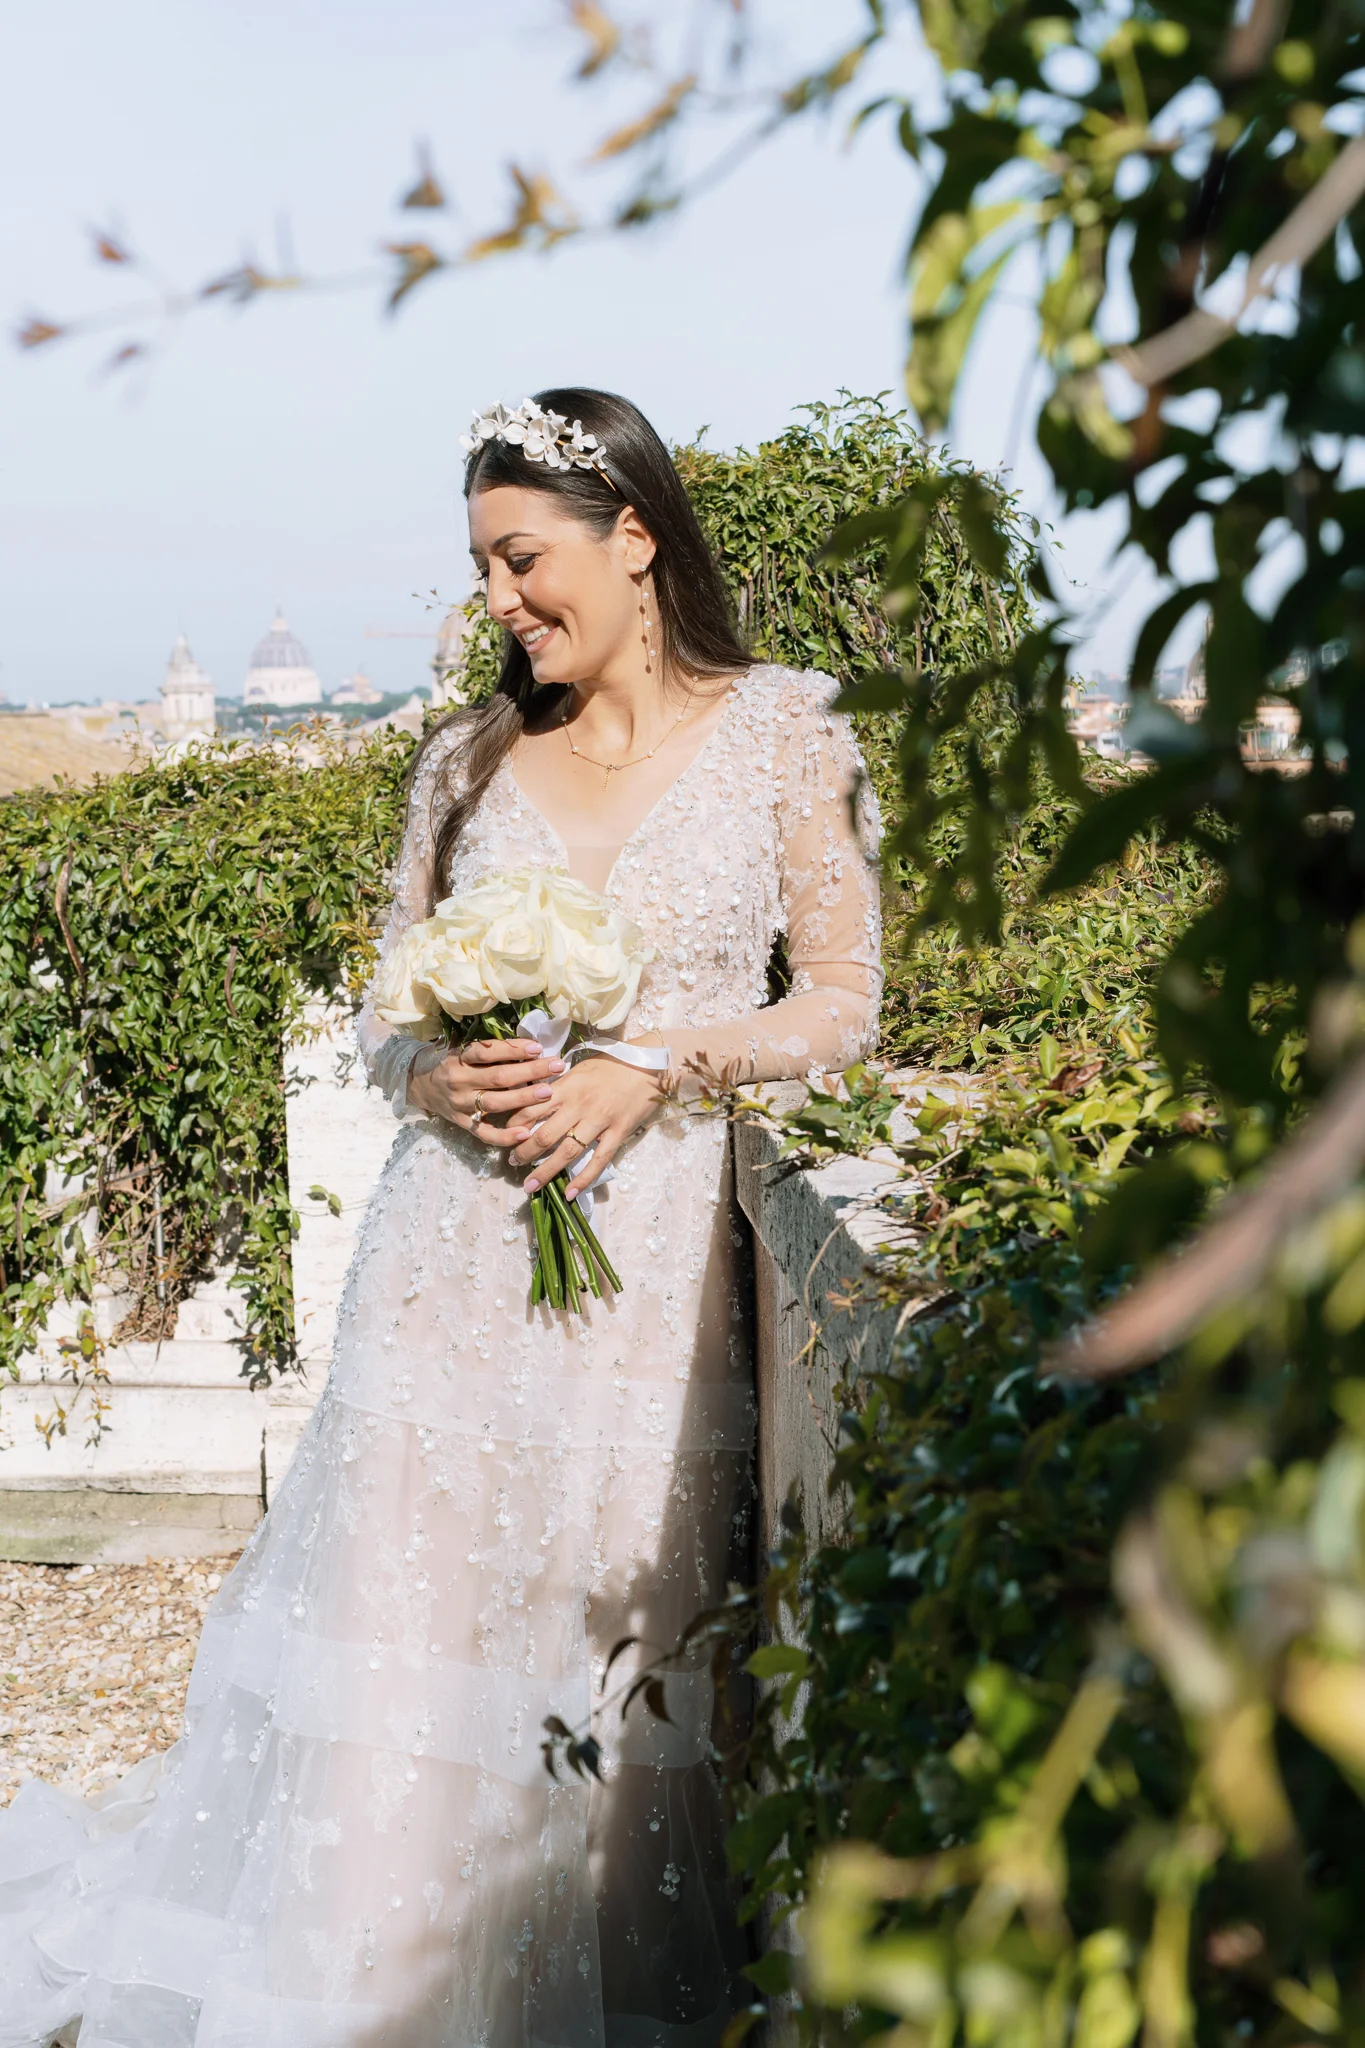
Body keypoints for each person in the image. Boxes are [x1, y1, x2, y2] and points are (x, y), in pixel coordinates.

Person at [0, 388, 881, 2047]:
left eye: (520, 557)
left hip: (649, 1288)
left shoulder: (789, 737)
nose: (497, 600)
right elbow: (386, 1020)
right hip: (439, 1275)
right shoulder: (463, 762)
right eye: (480, 567)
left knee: (597, 1646)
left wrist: (659, 1059)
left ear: (636, 537)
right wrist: (432, 1081)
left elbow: (842, 1004)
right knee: (401, 1643)